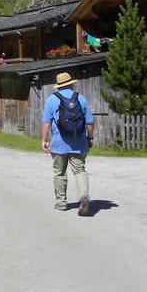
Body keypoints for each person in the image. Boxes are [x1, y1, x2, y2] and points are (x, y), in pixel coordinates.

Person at [41, 71, 95, 215]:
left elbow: (46, 122)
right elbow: (90, 121)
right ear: (71, 83)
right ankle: (83, 195)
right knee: (79, 170)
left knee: (59, 173)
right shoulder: (81, 99)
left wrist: (44, 139)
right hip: (78, 143)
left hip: (59, 143)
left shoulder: (52, 99)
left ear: (58, 86)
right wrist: (90, 138)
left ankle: (61, 203)